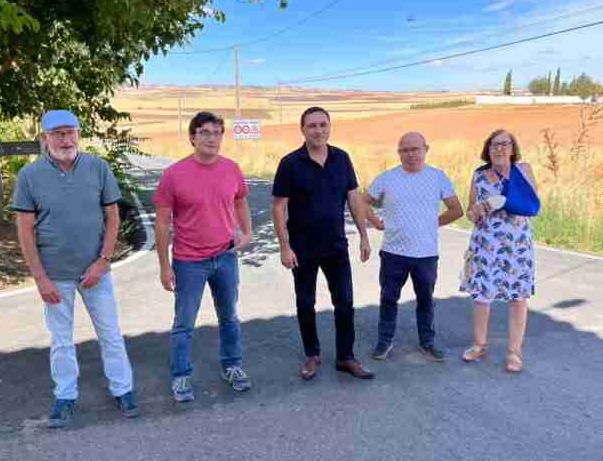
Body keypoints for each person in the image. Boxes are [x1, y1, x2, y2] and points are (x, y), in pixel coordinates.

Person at [13, 109, 138, 428]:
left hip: (96, 272)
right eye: (57, 134)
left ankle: (123, 390)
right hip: (54, 275)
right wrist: (40, 278)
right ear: (44, 138)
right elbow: (25, 229)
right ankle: (65, 396)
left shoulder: (97, 167)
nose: (64, 139)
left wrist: (103, 261)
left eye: (69, 132)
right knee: (61, 340)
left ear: (78, 134)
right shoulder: (29, 176)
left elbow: (113, 218)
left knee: (110, 333)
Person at [153, 111, 253, 403]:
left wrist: (246, 233)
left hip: (225, 257)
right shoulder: (174, 174)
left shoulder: (231, 169)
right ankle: (181, 375)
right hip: (188, 261)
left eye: (217, 132)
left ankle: (232, 366)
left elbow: (241, 201)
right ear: (193, 137)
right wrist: (164, 266)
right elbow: (161, 222)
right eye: (205, 132)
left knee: (229, 316)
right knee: (184, 322)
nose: (212, 138)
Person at [271, 106, 374, 381]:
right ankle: (312, 355)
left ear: (330, 127)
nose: (318, 130)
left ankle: (345, 357)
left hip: (336, 246)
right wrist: (284, 246)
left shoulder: (342, 158)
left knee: (345, 302)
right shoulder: (290, 163)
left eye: (323, 125)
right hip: (302, 248)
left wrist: (364, 236)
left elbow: (354, 198)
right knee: (305, 303)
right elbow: (279, 207)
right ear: (302, 130)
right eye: (312, 126)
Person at [363, 132, 463, 362]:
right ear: (399, 153)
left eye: (415, 149)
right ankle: (384, 342)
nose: (410, 154)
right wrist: (376, 221)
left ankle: (427, 342)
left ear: (425, 149)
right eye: (404, 150)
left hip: (426, 254)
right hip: (393, 253)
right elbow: (362, 200)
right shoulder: (387, 177)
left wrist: (434, 222)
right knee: (388, 299)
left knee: (425, 300)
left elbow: (456, 209)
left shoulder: (438, 177)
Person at [459, 129, 537, 373]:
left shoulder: (523, 171)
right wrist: (476, 211)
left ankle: (514, 353)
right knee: (482, 295)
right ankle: (479, 344)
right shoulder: (479, 175)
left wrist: (502, 201)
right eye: (494, 144)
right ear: (487, 149)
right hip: (485, 243)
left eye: (504, 144)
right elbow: (470, 211)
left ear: (513, 149)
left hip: (516, 246)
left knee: (517, 297)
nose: (499, 148)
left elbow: (532, 205)